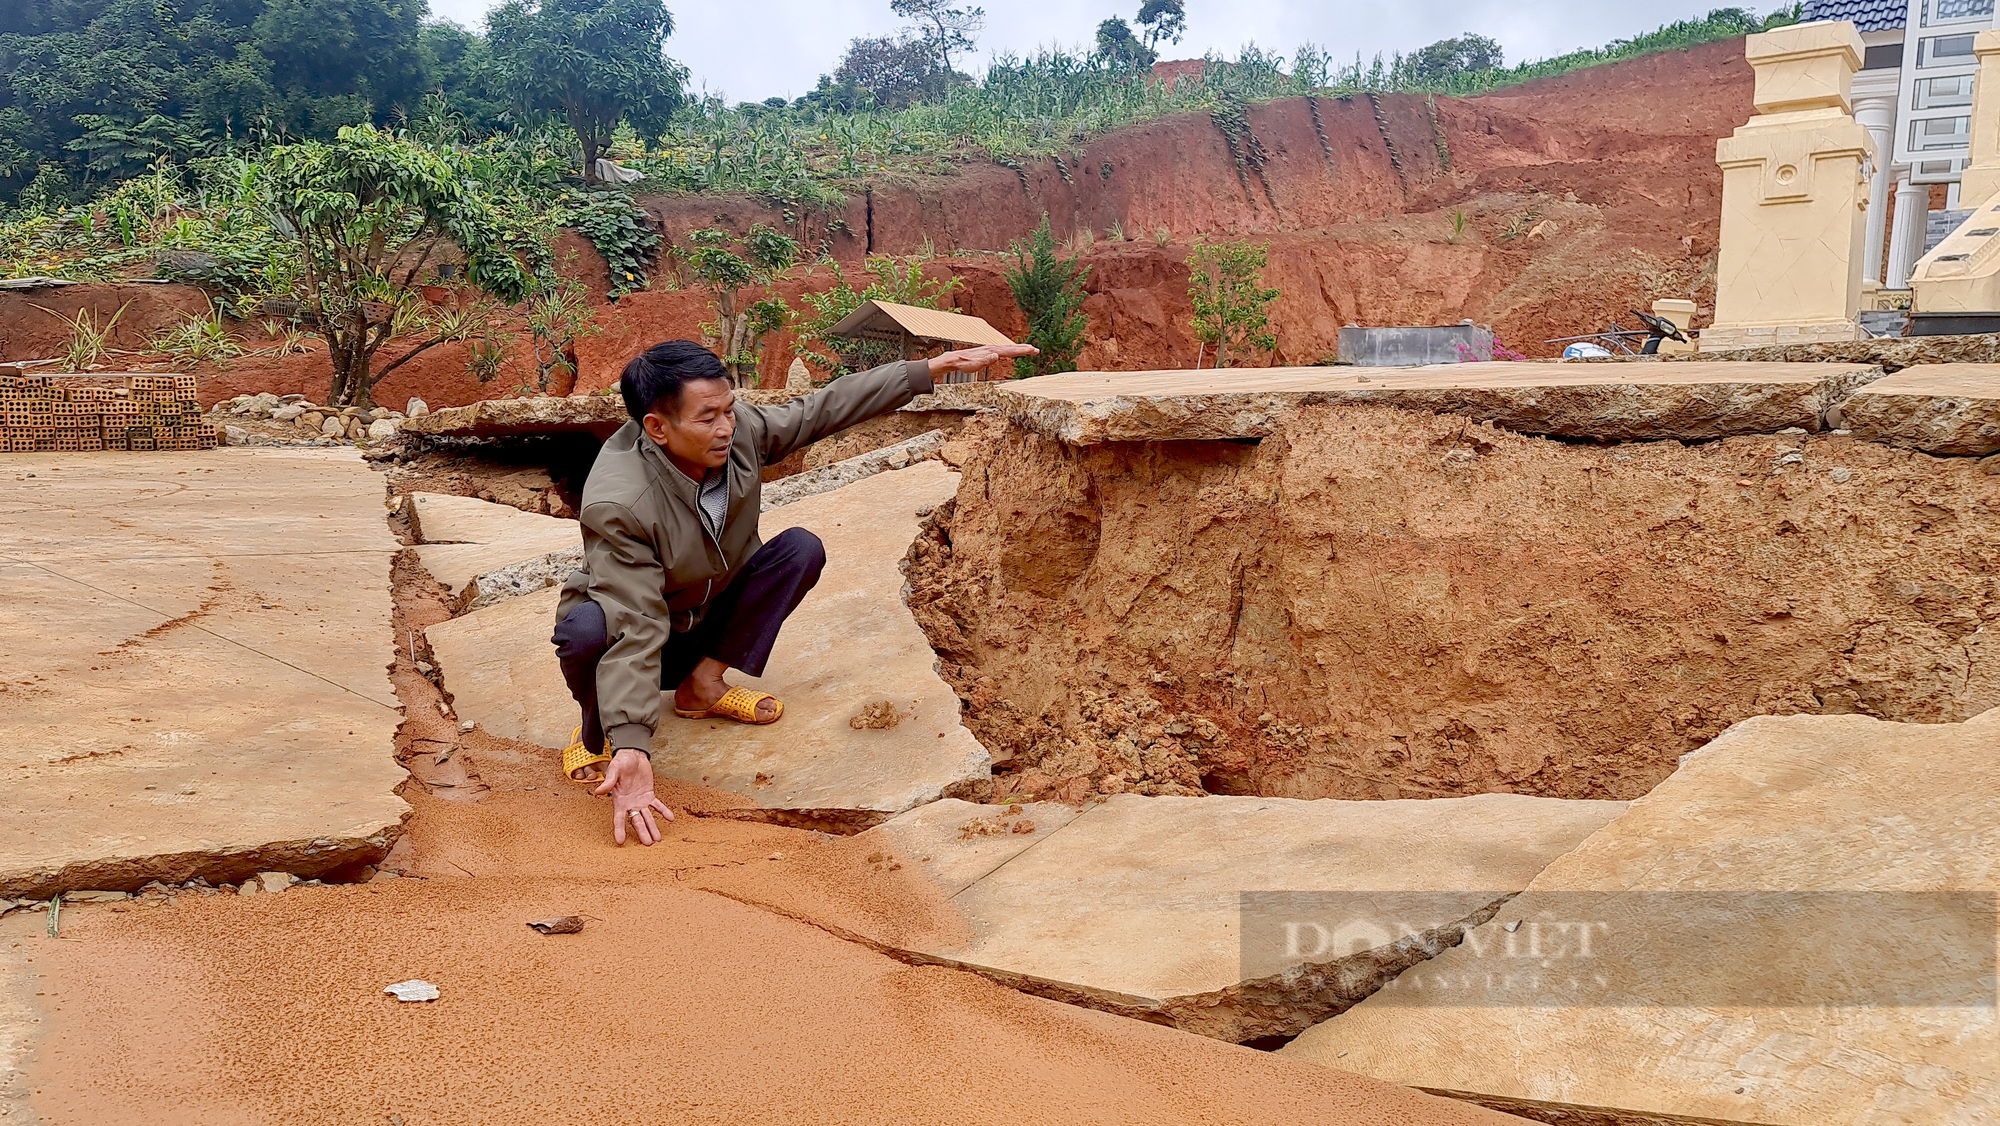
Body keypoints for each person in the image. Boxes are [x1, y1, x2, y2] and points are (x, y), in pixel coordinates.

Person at [551, 338, 1037, 845]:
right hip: (644, 628)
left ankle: (701, 686)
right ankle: (598, 730)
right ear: (657, 428)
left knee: (800, 549)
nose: (726, 427)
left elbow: (820, 408)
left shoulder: (737, 437)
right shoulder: (620, 502)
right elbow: (635, 620)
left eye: (730, 409)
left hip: (707, 611)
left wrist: (930, 368)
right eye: (708, 417)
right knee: (586, 629)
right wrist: (634, 741)